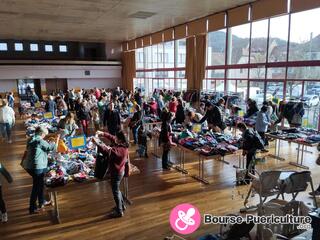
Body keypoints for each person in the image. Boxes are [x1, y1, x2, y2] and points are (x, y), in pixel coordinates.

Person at [21, 127, 59, 214]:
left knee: (40, 184)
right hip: (37, 167)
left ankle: (41, 202)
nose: (44, 136)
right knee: (36, 187)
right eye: (44, 135)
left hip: (29, 166)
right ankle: (32, 208)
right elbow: (51, 148)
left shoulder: (31, 138)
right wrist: (56, 140)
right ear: (42, 133)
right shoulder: (40, 141)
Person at [94, 130, 129, 218]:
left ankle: (119, 211)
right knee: (117, 189)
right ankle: (122, 206)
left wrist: (97, 143)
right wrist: (103, 133)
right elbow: (112, 138)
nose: (115, 138)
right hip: (119, 171)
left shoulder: (120, 150)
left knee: (115, 191)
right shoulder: (122, 145)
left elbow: (107, 151)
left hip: (117, 173)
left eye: (117, 137)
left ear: (120, 140)